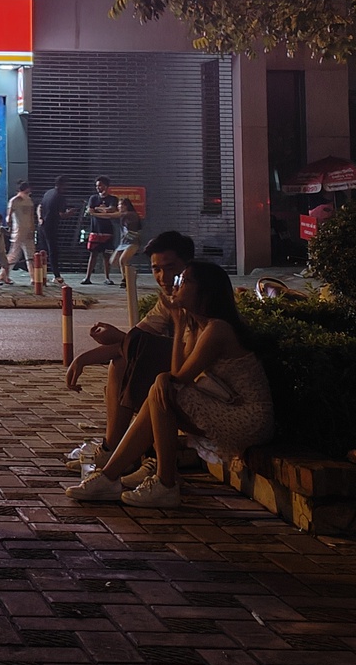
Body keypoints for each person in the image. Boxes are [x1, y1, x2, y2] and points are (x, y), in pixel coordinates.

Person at [70, 260, 274, 509]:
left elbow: (180, 378)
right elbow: (177, 372)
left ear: (205, 291)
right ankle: (114, 477)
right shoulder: (196, 326)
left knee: (163, 391)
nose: (176, 285)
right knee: (160, 390)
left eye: (184, 281)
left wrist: (164, 377)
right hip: (226, 406)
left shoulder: (217, 329)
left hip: (248, 417)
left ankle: (159, 482)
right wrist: (179, 325)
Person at [63, 230, 191, 461]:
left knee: (129, 364)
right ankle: (114, 450)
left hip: (203, 384)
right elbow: (137, 340)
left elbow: (147, 346)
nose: (163, 277)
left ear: (187, 266)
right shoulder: (169, 301)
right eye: (156, 269)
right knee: (122, 360)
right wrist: (83, 358)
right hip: (179, 375)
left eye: (171, 267)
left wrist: (114, 343)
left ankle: (117, 454)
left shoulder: (199, 301)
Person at [82, 178, 120, 283]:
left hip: (107, 231)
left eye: (100, 185)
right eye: (96, 185)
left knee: (106, 255)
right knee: (93, 254)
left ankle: (107, 278)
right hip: (95, 230)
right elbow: (90, 210)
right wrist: (103, 210)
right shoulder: (93, 198)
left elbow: (112, 209)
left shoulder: (113, 199)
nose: (98, 187)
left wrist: (97, 209)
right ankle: (87, 277)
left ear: (106, 186)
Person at [39, 177, 71, 282]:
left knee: (43, 251)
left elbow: (40, 206)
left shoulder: (48, 193)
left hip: (42, 225)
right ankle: (56, 276)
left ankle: (41, 275)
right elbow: (62, 214)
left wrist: (40, 218)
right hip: (51, 226)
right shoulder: (60, 197)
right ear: (63, 184)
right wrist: (70, 213)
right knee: (53, 251)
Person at [4, 181, 37, 280]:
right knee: (29, 254)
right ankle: (34, 277)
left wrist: (10, 227)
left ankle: (4, 275)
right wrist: (32, 230)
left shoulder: (14, 200)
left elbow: (8, 218)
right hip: (26, 230)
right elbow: (31, 218)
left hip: (18, 230)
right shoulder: (28, 201)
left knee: (14, 254)